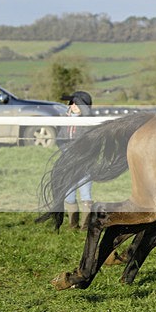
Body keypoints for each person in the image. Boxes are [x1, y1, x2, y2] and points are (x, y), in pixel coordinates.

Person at [59, 91, 94, 230]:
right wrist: (66, 152)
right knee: (69, 194)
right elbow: (60, 139)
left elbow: (91, 142)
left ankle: (85, 226)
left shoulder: (89, 122)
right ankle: (72, 225)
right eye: (71, 103)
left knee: (85, 194)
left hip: (85, 165)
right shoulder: (65, 120)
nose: (73, 105)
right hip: (69, 163)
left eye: (76, 103)